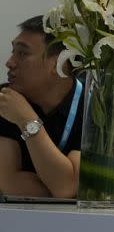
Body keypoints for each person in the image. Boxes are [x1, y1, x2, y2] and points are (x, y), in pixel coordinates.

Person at [0, 16, 83, 198]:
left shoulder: (93, 106)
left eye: (22, 54)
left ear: (59, 63)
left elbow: (66, 188)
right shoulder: (6, 99)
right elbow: (9, 183)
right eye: (13, 51)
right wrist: (61, 184)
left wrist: (27, 119)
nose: (9, 62)